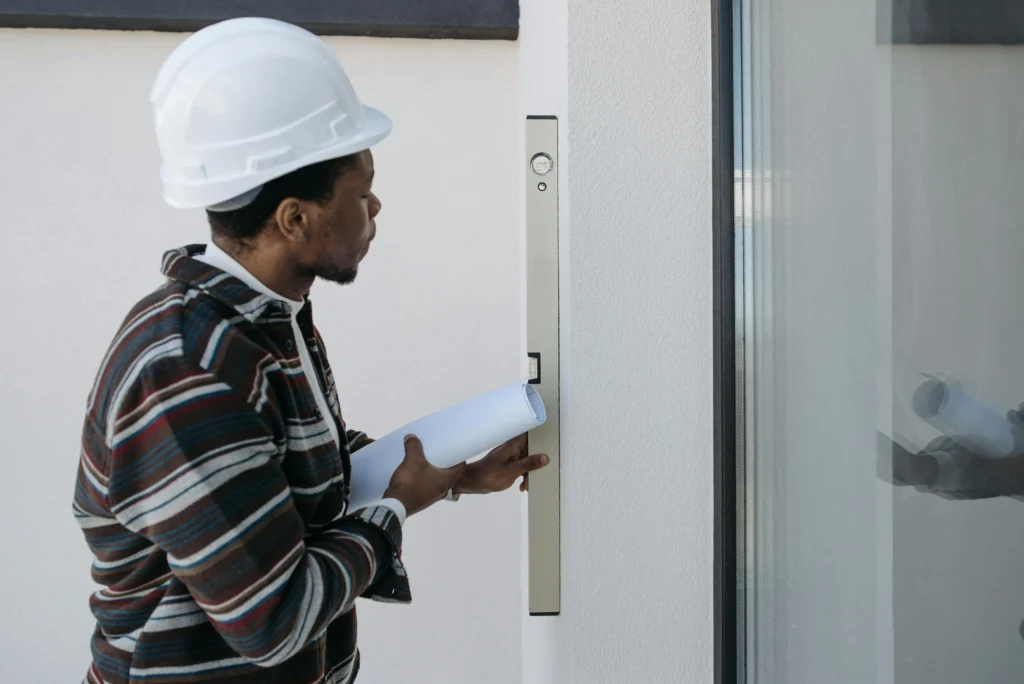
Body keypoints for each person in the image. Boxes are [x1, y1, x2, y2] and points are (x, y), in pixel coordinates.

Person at [72, 17, 549, 684]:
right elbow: (274, 619)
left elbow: (292, 477)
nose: (376, 206)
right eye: (360, 191)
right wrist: (394, 509)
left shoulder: (263, 321)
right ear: (295, 218)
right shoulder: (189, 368)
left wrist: (451, 473)